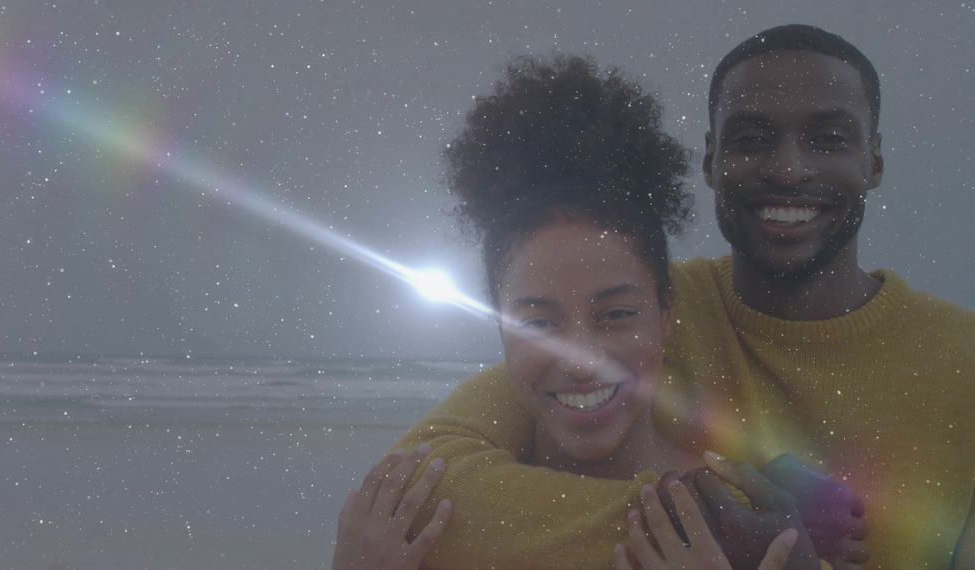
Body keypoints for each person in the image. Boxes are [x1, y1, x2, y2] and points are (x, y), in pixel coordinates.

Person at [388, 24, 975, 570]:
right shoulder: (634, 305)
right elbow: (426, 476)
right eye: (752, 139)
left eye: (828, 139)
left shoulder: (962, 362)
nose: (790, 169)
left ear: (872, 158)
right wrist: (732, 518)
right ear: (712, 160)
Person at [332, 55, 815, 570]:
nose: (581, 359)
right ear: (499, 325)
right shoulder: (410, 528)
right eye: (539, 322)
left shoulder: (751, 524)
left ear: (666, 312)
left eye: (616, 315)